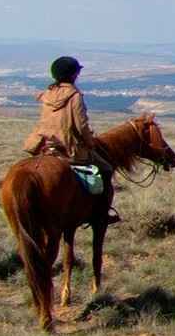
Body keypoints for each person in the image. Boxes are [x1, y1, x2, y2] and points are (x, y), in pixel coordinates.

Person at [21, 56, 118, 224]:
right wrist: (89, 142)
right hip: (67, 147)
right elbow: (81, 125)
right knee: (106, 169)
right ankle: (100, 214)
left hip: (43, 146)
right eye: (77, 72)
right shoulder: (75, 95)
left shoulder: (48, 94)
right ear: (73, 75)